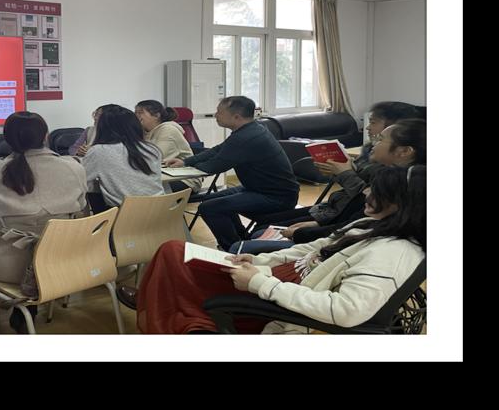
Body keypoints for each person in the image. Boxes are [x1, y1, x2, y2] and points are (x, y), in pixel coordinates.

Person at [124, 165, 426, 334]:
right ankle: (155, 298)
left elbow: (345, 311)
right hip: (273, 277)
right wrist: (258, 260)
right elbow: (313, 248)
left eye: (376, 190)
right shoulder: (371, 224)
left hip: (278, 298)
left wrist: (259, 282)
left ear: (403, 204)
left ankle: (156, 301)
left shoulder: (391, 253)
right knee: (175, 251)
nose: (365, 192)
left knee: (176, 258)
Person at [0, 111, 87, 333]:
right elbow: (80, 205)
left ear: (7, 139)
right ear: (46, 136)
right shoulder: (74, 167)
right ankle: (23, 316)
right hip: (58, 260)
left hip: (6, 266)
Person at [240, 117, 427, 253]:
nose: (372, 143)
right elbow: (351, 215)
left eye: (380, 140)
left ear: (405, 151)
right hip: (331, 222)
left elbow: (353, 226)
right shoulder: (383, 171)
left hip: (334, 245)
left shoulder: (404, 188)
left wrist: (305, 232)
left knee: (247, 242)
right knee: (260, 230)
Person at [164, 96, 299, 251]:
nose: (215, 115)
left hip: (276, 197)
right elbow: (217, 150)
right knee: (210, 201)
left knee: (209, 208)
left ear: (236, 117)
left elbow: (214, 166)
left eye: (219, 112)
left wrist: (184, 170)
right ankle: (242, 241)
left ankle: (234, 249)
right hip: (258, 189)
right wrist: (185, 162)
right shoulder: (249, 129)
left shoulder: (246, 137)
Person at [82, 104, 164, 212]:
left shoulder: (99, 151)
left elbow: (81, 180)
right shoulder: (152, 149)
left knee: (90, 190)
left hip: (127, 215)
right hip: (161, 212)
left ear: (103, 128)